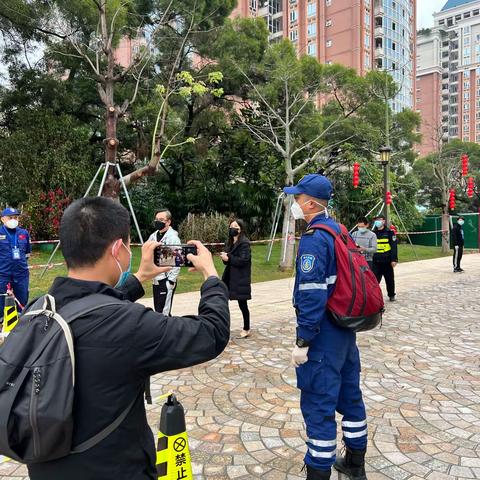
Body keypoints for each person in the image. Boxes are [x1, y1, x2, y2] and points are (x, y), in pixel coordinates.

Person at [27, 197, 230, 480]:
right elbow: (212, 333)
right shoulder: (128, 325)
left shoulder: (39, 308)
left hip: (46, 466)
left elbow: (87, 303)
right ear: (118, 249)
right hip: (116, 468)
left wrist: (138, 278)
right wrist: (210, 276)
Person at [285, 174, 368, 480]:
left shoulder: (314, 239)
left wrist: (303, 341)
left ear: (309, 203)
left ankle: (318, 473)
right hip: (346, 333)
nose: (294, 204)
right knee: (350, 399)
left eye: (297, 199)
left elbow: (311, 294)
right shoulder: (340, 231)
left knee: (319, 405)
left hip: (323, 336)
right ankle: (355, 465)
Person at [220, 219, 252, 339]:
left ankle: (246, 327)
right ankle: (223, 326)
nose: (232, 229)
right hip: (228, 276)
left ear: (241, 229)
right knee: (223, 301)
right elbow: (227, 261)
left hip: (240, 277)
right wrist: (224, 258)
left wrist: (228, 258)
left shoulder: (244, 243)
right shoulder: (229, 242)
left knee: (242, 304)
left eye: (235, 227)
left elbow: (243, 260)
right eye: (231, 226)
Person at [147, 209, 181, 315]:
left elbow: (176, 261)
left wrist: (171, 281)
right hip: (156, 278)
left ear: (168, 222)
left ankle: (168, 331)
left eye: (161, 220)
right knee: (158, 310)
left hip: (166, 280)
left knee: (164, 312)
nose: (158, 222)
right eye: (156, 219)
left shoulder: (172, 238)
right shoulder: (153, 236)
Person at [0, 207, 31, 312]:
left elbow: (27, 253)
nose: (13, 220)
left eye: (16, 217)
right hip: (3, 274)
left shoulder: (24, 233)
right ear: (2, 219)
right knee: (2, 302)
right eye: (10, 217)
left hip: (21, 274)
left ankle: (21, 321)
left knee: (22, 300)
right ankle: (2, 323)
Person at [372, 215, 398, 302]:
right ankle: (373, 296)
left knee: (389, 279)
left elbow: (394, 247)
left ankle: (391, 295)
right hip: (376, 260)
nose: (377, 221)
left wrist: (394, 259)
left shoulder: (390, 233)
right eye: (376, 220)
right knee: (374, 280)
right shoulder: (373, 233)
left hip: (387, 260)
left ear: (383, 221)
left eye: (379, 220)